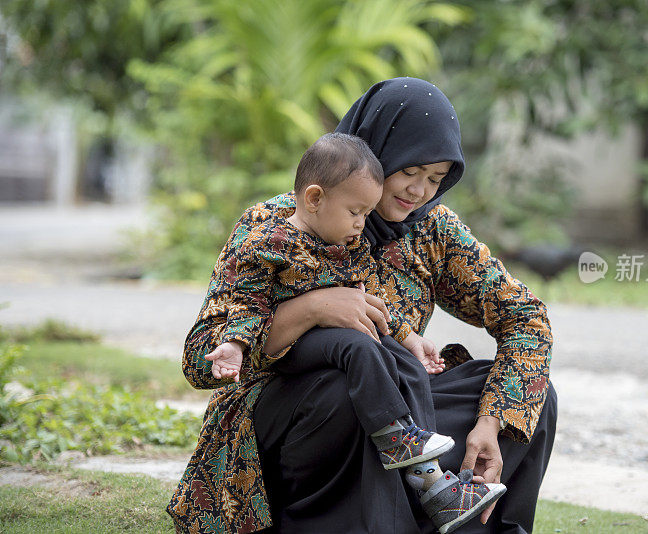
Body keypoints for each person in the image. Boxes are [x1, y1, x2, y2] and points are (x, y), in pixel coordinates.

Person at [168, 77, 556, 534]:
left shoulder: (433, 230)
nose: (419, 191)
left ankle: (458, 513)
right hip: (295, 416)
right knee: (347, 385)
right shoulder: (277, 224)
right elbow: (199, 361)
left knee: (528, 398)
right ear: (377, 151)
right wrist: (313, 309)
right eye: (410, 171)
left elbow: (526, 318)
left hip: (390, 403)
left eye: (435, 179)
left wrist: (490, 423)